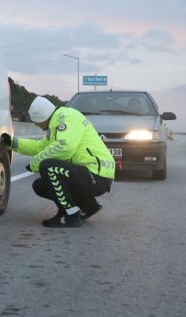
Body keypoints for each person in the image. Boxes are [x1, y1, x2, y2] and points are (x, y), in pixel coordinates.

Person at [6, 96, 115, 228]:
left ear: (42, 118)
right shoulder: (55, 124)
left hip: (97, 174)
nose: (35, 125)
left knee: (48, 167)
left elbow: (65, 147)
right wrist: (12, 142)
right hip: (92, 174)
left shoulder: (67, 117)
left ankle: (70, 215)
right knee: (40, 185)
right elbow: (40, 147)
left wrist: (35, 164)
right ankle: (87, 205)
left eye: (36, 121)